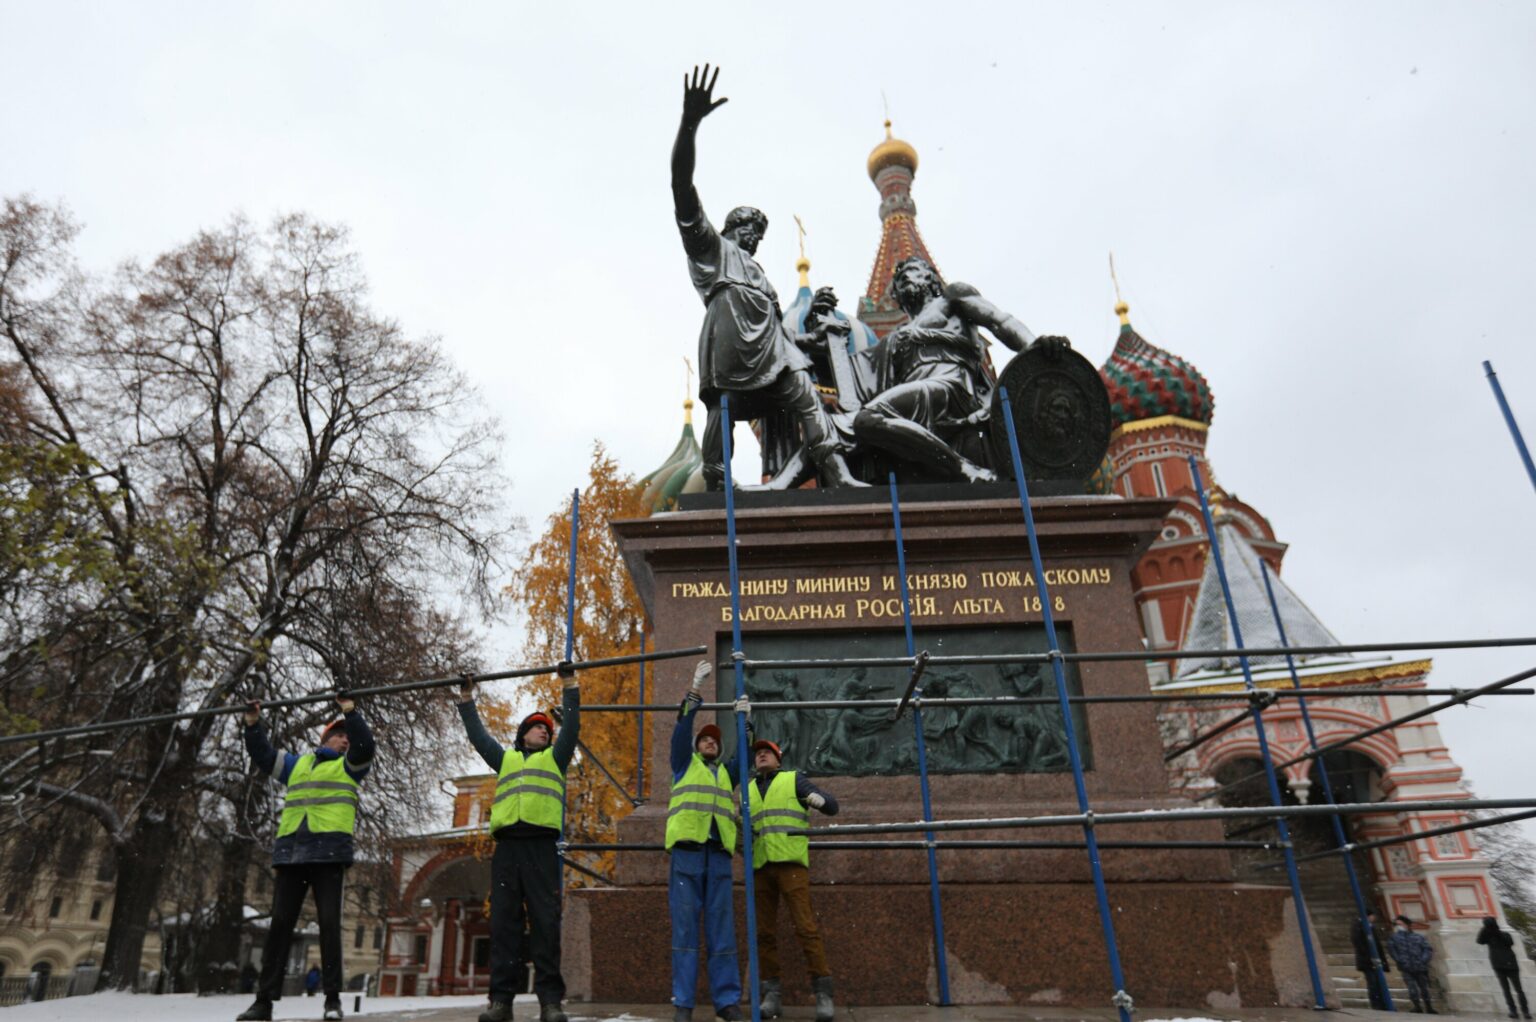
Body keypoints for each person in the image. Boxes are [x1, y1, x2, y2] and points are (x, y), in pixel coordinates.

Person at [670, 64, 863, 491]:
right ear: (727, 229)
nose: (753, 238)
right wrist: (689, 125)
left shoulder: (762, 277)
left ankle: (836, 471)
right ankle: (718, 481)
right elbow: (681, 186)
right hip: (731, 345)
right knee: (723, 406)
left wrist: (817, 332)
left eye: (758, 233)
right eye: (747, 229)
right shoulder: (711, 250)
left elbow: (783, 334)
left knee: (807, 393)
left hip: (773, 352)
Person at [851, 256, 1058, 483]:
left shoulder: (951, 299)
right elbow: (857, 375)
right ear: (896, 295)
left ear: (931, 279)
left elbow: (999, 320)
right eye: (899, 280)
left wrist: (1033, 346)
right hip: (918, 392)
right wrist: (820, 332)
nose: (904, 279)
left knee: (868, 418)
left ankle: (965, 469)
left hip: (951, 385)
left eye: (912, 271)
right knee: (860, 426)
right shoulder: (896, 337)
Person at [237, 694, 375, 1022]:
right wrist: (253, 724)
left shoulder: (350, 766)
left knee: (329, 926)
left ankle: (331, 1001)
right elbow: (262, 754)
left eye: (348, 736)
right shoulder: (296, 764)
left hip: (329, 855)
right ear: (325, 737)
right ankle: (263, 1003)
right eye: (340, 734)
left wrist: (350, 712)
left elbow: (366, 745)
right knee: (280, 928)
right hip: (291, 855)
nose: (346, 740)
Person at [459, 666, 580, 1022]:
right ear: (523, 733)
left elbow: (571, 729)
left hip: (541, 848)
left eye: (547, 729)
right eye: (538, 726)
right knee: (504, 926)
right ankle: (501, 1002)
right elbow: (479, 737)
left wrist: (570, 687)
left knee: (546, 924)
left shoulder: (556, 759)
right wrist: (467, 699)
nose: (544, 731)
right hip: (508, 849)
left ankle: (550, 1003)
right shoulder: (506, 759)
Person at [668, 661, 751, 1022]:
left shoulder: (726, 774)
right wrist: (694, 690)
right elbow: (681, 729)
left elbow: (743, 757)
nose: (710, 744)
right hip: (687, 854)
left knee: (722, 932)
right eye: (705, 740)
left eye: (715, 741)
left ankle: (726, 1002)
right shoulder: (683, 763)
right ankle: (683, 1004)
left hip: (717, 856)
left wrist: (746, 725)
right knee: (685, 932)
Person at [747, 738, 839, 1021]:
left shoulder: (794, 779)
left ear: (779, 759)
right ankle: (771, 994)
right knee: (764, 934)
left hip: (791, 866)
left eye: (767, 753)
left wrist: (820, 800)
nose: (761, 756)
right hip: (761, 867)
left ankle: (823, 993)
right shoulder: (747, 788)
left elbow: (832, 807)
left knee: (805, 927)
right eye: (758, 753)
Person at [1479, 916, 1532, 1019]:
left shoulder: (1504, 934)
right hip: (1498, 966)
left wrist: (1496, 930)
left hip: (1511, 965)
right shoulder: (1488, 937)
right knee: (1506, 990)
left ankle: (1525, 1011)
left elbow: (1510, 942)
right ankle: (1513, 1011)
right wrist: (1485, 928)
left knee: (1518, 990)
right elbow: (1479, 941)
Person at [1386, 915, 1436, 1013]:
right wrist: (1400, 960)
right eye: (1397, 924)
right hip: (1406, 967)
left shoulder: (1418, 937)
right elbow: (1392, 951)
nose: (1398, 926)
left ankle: (1429, 1007)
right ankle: (1417, 1006)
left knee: (1424, 988)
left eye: (1400, 924)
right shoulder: (1394, 938)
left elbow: (1427, 949)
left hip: (1420, 966)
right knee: (1412, 988)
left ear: (1407, 924)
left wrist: (1424, 960)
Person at [1350, 909, 1392, 1010]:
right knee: (1373, 983)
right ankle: (1377, 1004)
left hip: (1374, 959)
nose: (1374, 918)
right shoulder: (1359, 926)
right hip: (1368, 960)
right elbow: (1358, 943)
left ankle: (1382, 1003)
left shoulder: (1369, 926)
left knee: (1378, 982)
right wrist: (1369, 956)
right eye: (1373, 916)